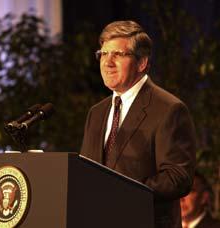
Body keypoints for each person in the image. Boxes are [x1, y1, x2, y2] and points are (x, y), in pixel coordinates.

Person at [80, 20, 196, 228]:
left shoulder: (168, 109)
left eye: (118, 54)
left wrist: (122, 192)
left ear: (142, 62)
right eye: (104, 54)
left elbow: (178, 178)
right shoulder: (96, 113)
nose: (107, 62)